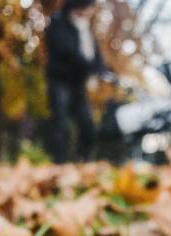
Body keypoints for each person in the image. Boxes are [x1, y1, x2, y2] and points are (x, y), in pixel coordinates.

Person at [44, 0, 105, 163]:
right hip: (60, 80)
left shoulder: (86, 28)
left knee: (87, 123)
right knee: (60, 122)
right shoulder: (58, 23)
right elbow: (66, 50)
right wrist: (87, 66)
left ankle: (84, 160)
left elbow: (95, 54)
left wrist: (99, 69)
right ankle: (59, 162)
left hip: (78, 83)